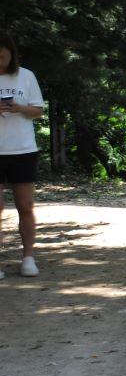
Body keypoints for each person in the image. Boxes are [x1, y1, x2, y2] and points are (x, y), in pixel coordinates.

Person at [0, 32, 45, 280]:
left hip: (23, 150)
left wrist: (19, 108)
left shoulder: (26, 76)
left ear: (10, 52)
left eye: (2, 56)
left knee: (25, 206)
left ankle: (28, 258)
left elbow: (38, 110)